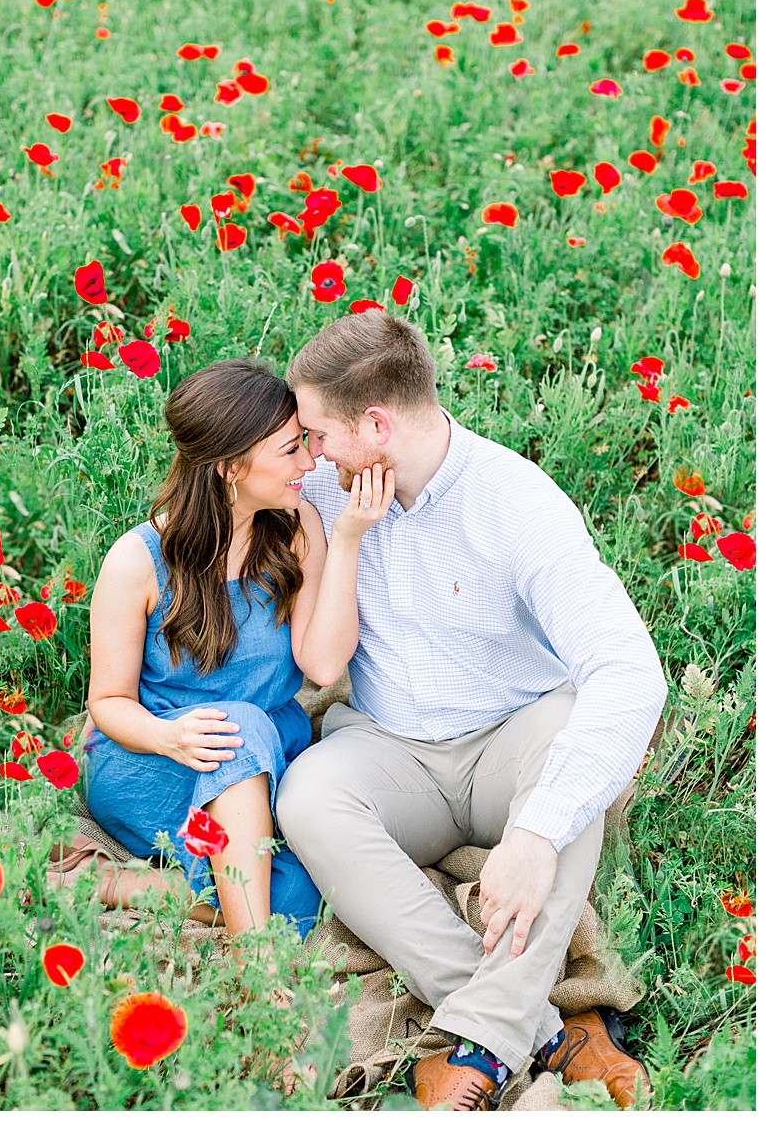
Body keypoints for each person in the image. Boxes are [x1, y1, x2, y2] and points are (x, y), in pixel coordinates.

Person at [274, 310, 666, 1110]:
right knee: (308, 793)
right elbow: (209, 513)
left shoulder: (516, 502)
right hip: (391, 748)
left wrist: (535, 832)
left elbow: (630, 670)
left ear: (376, 426)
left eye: (318, 434)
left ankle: (480, 1042)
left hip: (508, 745)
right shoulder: (318, 489)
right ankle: (539, 1028)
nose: (310, 452)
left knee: (572, 751)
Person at [81, 357, 395, 943]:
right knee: (238, 731)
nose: (308, 463)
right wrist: (168, 736)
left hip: (265, 750)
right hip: (157, 758)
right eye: (290, 450)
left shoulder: (295, 528)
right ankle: (256, 961)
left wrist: (348, 539)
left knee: (302, 899)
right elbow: (108, 702)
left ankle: (128, 885)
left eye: (304, 444)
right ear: (230, 466)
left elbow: (324, 665)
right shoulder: (136, 561)